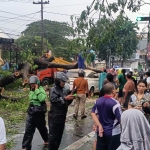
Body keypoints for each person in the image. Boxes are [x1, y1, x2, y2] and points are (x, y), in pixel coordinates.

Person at [91, 83, 122, 150]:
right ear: (113, 91)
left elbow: (93, 113)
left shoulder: (98, 101)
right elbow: (120, 119)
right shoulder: (115, 103)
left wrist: (99, 125)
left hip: (100, 132)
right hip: (113, 132)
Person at [48, 72, 74, 150]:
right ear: (58, 81)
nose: (64, 83)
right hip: (54, 118)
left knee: (59, 137)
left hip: (61, 117)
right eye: (63, 81)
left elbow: (65, 103)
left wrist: (70, 99)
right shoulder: (53, 89)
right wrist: (65, 98)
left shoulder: (63, 90)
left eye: (64, 82)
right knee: (53, 138)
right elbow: (53, 100)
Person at [22, 76, 48, 150]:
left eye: (33, 84)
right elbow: (31, 99)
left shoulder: (41, 90)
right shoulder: (31, 90)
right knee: (28, 130)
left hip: (39, 113)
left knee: (42, 128)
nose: (32, 85)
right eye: (31, 84)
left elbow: (42, 99)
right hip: (31, 112)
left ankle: (47, 140)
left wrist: (37, 90)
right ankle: (25, 146)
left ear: (37, 83)